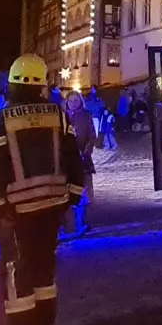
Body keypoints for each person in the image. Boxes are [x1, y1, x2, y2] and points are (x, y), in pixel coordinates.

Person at [0, 55, 85, 325]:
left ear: (13, 83)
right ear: (42, 84)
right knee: (44, 267)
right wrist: (73, 196)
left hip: (18, 211)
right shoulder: (58, 114)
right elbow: (72, 158)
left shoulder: (3, 119)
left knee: (17, 271)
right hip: (52, 205)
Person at [62, 90, 96, 235]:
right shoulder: (62, 116)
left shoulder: (86, 115)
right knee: (63, 192)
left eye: (76, 100)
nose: (73, 103)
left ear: (80, 101)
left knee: (82, 191)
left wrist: (86, 152)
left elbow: (92, 136)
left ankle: (80, 222)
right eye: (71, 101)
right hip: (66, 161)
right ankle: (63, 226)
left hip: (82, 160)